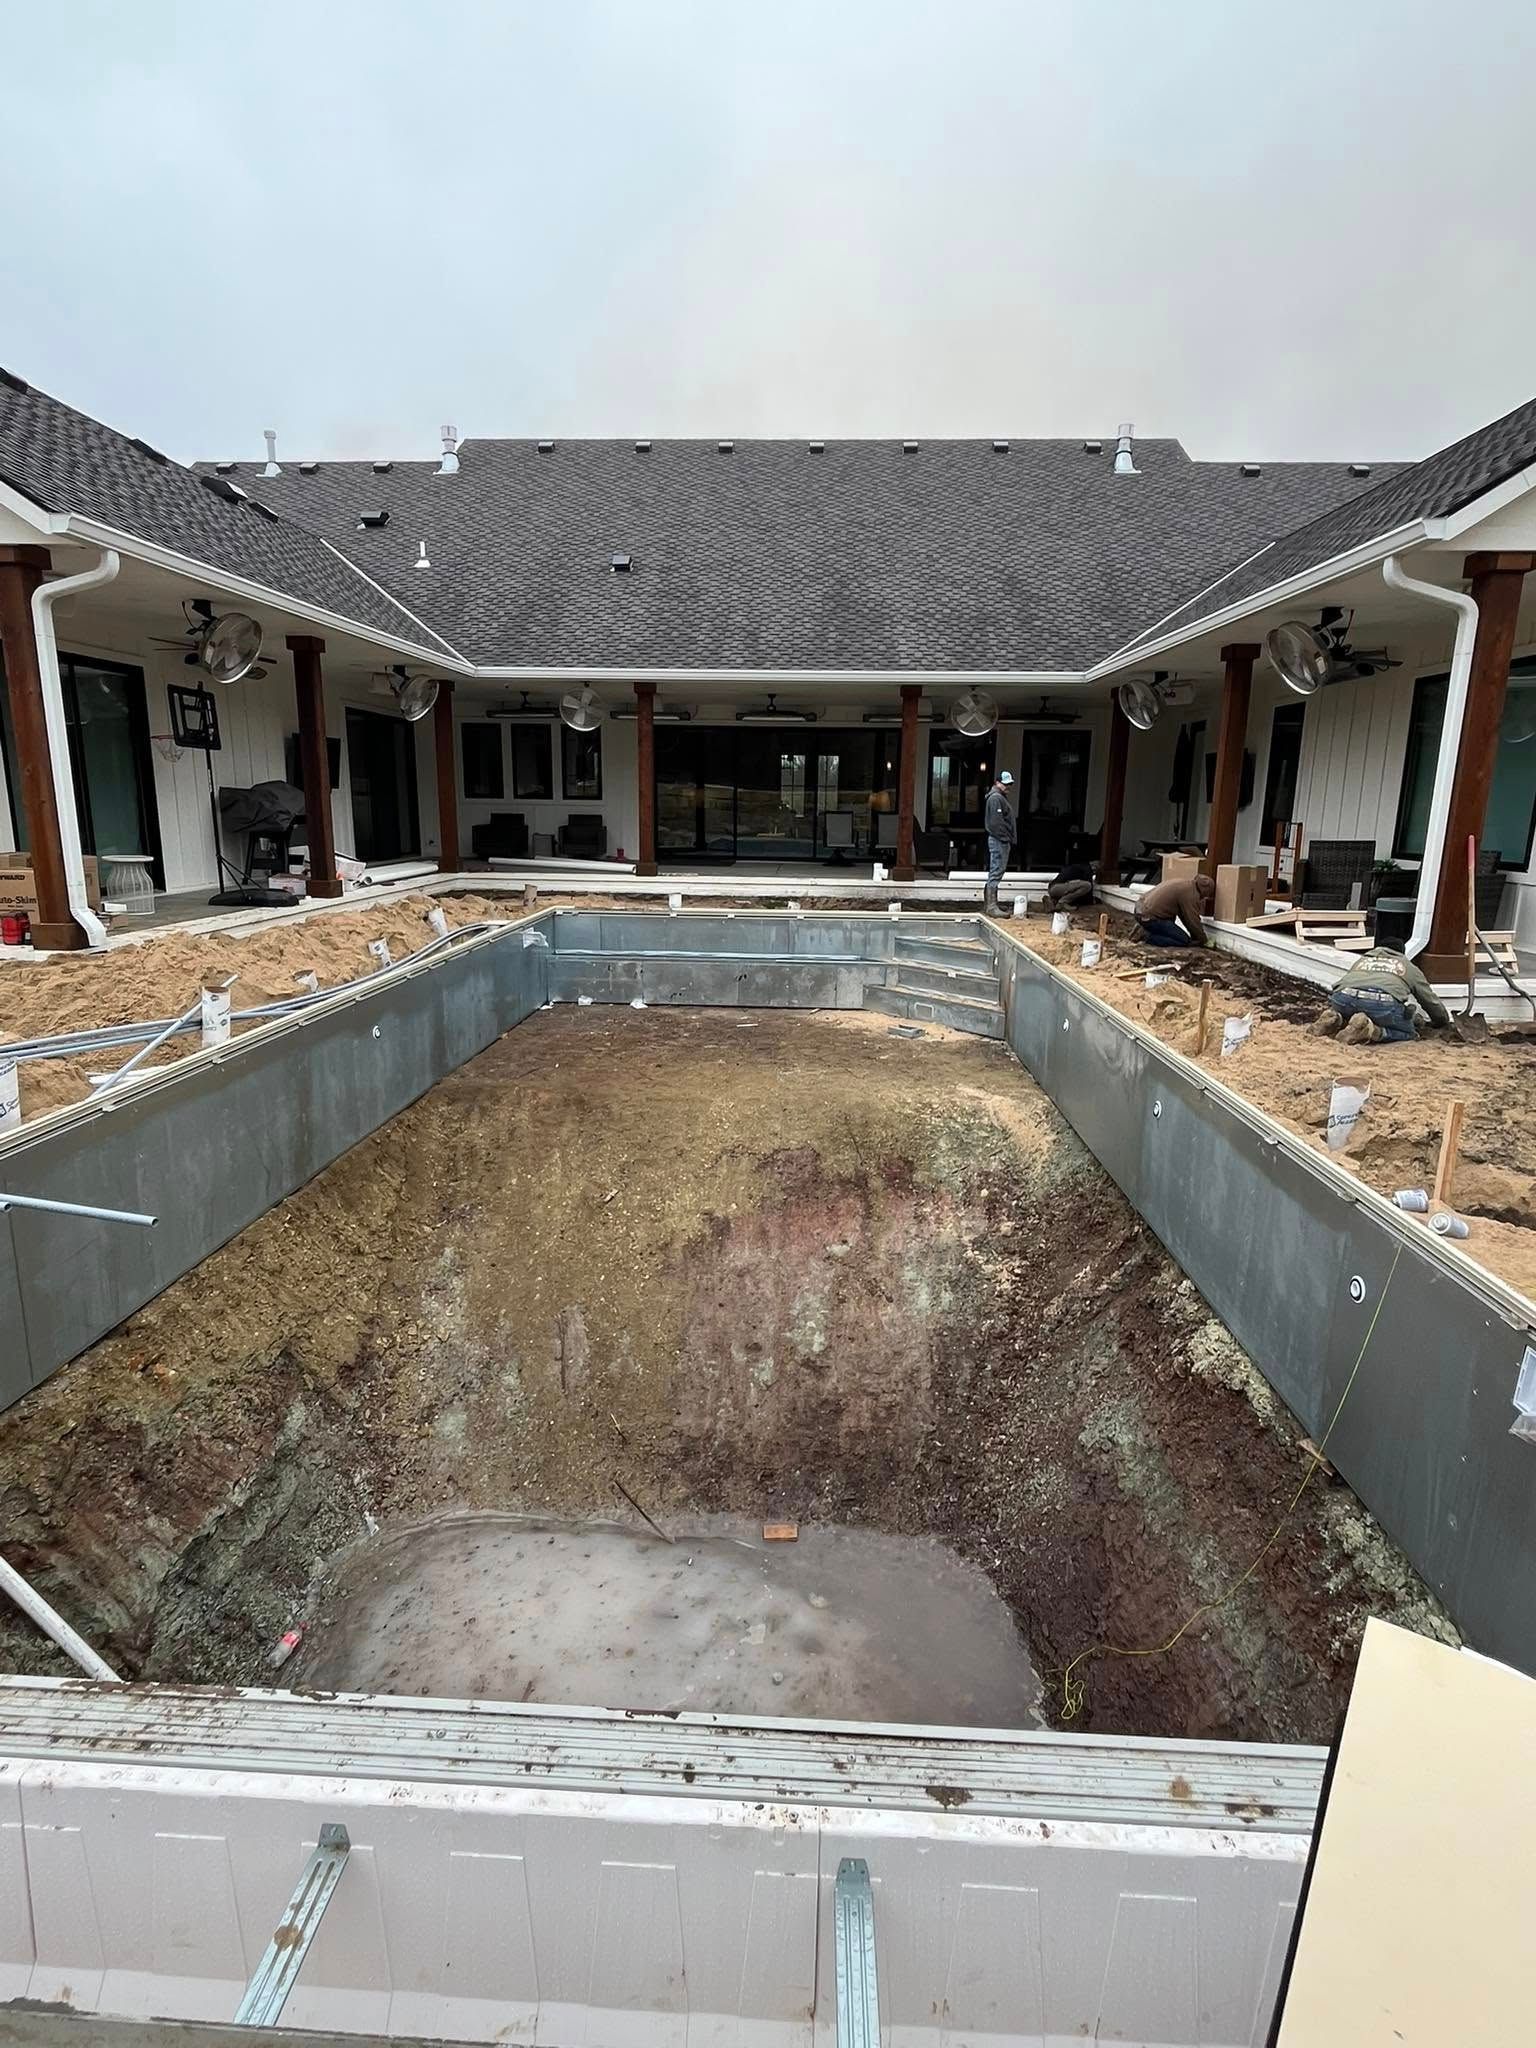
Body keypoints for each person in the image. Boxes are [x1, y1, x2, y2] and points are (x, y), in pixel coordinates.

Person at [1311, 941, 1451, 1045]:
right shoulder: (1408, 967)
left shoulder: (1363, 960)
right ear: (1401, 953)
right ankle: (1371, 1030)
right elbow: (1429, 999)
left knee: (1354, 1010)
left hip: (1342, 998)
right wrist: (1441, 1020)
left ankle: (1336, 1019)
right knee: (1409, 1033)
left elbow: (1348, 981)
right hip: (1381, 1004)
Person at [1134, 871, 1215, 947]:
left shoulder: (1184, 884)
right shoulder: (1190, 894)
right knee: (1183, 941)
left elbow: (1184, 917)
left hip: (1140, 910)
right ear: (1205, 890)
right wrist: (1203, 940)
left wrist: (1196, 937)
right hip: (1151, 918)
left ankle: (1146, 929)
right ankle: (1148, 937)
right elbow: (1192, 919)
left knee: (1171, 923)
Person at [982, 770, 1016, 914]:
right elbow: (996, 823)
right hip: (998, 840)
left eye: (1009, 784)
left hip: (1000, 839)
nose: (1007, 786)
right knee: (996, 870)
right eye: (1004, 783)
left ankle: (990, 904)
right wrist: (1005, 837)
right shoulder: (996, 798)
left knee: (997, 870)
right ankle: (991, 906)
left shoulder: (999, 797)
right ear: (997, 783)